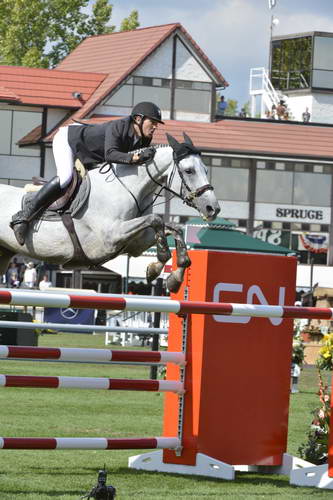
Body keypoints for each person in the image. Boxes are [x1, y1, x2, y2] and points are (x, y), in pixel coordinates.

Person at [10, 101, 164, 246]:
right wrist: (135, 158)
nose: (155, 127)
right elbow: (111, 154)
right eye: (153, 122)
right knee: (65, 178)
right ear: (138, 119)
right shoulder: (119, 127)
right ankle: (23, 217)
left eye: (157, 124)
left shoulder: (144, 139)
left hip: (91, 153)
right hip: (69, 140)